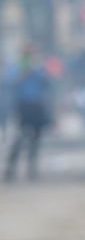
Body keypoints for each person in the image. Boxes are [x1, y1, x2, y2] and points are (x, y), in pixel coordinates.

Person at [4, 44, 53, 182]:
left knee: (36, 138)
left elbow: (47, 84)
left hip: (37, 105)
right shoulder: (15, 67)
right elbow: (9, 83)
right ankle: (10, 168)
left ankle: (32, 168)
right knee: (20, 137)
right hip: (23, 105)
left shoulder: (38, 68)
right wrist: (24, 74)